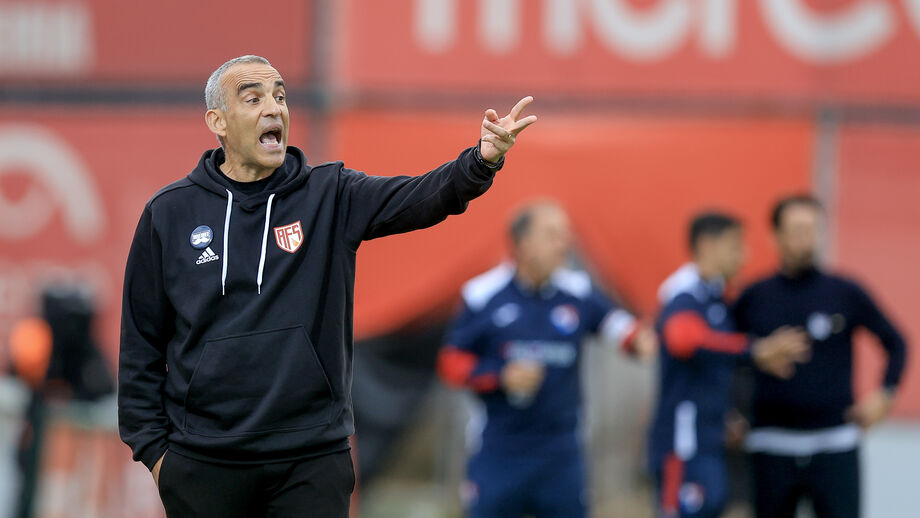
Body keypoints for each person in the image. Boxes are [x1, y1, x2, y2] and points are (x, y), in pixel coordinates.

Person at [117, 54, 536, 518]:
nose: (273, 108)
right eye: (253, 98)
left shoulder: (330, 194)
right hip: (204, 463)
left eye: (279, 96)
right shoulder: (169, 213)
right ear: (217, 121)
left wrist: (481, 161)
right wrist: (156, 455)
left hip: (310, 460)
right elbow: (141, 346)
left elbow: (422, 197)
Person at [436, 200, 658, 518]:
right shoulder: (483, 295)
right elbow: (450, 363)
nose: (563, 244)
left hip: (561, 452)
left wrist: (639, 340)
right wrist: (501, 376)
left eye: (565, 235)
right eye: (553, 235)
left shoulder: (579, 293)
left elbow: (620, 328)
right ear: (523, 244)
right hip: (500, 450)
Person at [733, 195, 908, 518]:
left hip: (835, 443)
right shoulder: (754, 297)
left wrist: (885, 394)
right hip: (771, 444)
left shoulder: (844, 292)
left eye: (814, 229)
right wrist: (734, 399)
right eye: (798, 230)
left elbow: (896, 342)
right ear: (776, 236)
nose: (807, 239)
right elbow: (722, 354)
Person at [648, 212, 810, 518]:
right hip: (683, 445)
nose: (744, 256)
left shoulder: (716, 298)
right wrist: (754, 349)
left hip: (711, 440)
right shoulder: (684, 293)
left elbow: (711, 362)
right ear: (707, 245)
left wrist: (725, 412)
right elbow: (682, 338)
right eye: (736, 246)